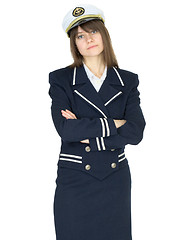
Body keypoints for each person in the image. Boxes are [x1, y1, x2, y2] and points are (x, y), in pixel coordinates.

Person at [48, 4, 146, 240]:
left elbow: (136, 132)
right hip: (75, 178)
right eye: (80, 36)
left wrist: (86, 128)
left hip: (115, 179)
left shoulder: (128, 81)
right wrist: (116, 123)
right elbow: (66, 130)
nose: (88, 39)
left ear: (104, 34)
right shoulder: (61, 79)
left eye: (93, 31)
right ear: (75, 44)